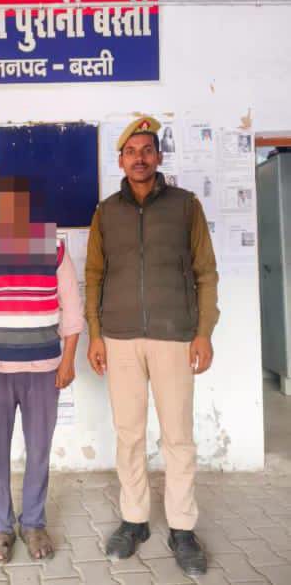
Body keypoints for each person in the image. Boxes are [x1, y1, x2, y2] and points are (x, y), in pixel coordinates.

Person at [85, 117, 219, 577]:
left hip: (174, 336)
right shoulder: (106, 212)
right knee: (129, 435)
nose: (139, 158)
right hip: (120, 339)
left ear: (159, 157)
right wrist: (95, 333)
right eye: (131, 151)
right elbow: (94, 276)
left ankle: (182, 528)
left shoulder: (185, 206)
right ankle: (135, 520)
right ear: (120, 160)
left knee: (178, 437)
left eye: (147, 150)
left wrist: (204, 331)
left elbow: (205, 272)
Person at [0, 168, 83, 563]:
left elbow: (72, 307)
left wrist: (68, 360)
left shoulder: (54, 248)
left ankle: (33, 523)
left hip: (44, 369)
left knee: (39, 448)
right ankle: (1, 526)